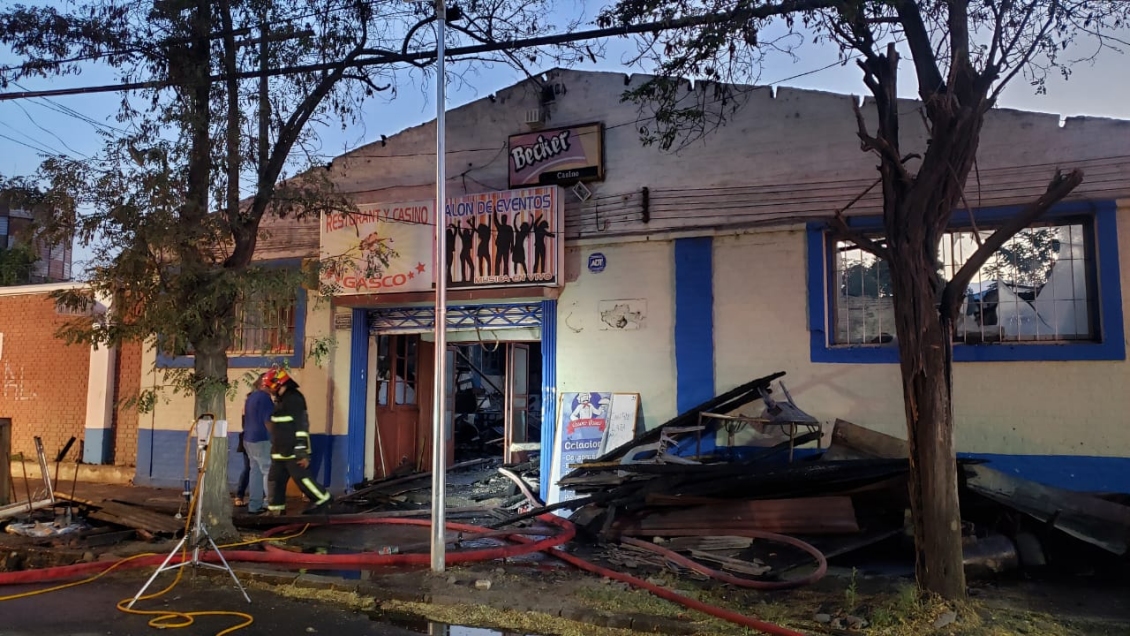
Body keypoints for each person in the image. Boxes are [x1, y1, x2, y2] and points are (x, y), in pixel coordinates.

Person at [262, 367, 332, 516]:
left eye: (269, 387)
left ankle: (325, 502)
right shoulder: (280, 401)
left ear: (277, 384)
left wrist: (302, 452)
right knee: (275, 481)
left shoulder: (295, 399)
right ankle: (276, 510)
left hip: (294, 452)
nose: (268, 391)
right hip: (279, 452)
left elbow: (301, 426)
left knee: (303, 481)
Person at [241, 373, 275, 515]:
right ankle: (271, 505)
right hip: (262, 439)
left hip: (248, 438)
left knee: (255, 471)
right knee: (268, 471)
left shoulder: (251, 397)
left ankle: (254, 506)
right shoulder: (265, 399)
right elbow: (268, 421)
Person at [232, 431, 250, 507]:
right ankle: (239, 495)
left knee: (249, 469)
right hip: (255, 439)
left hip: (248, 438)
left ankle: (239, 496)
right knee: (249, 469)